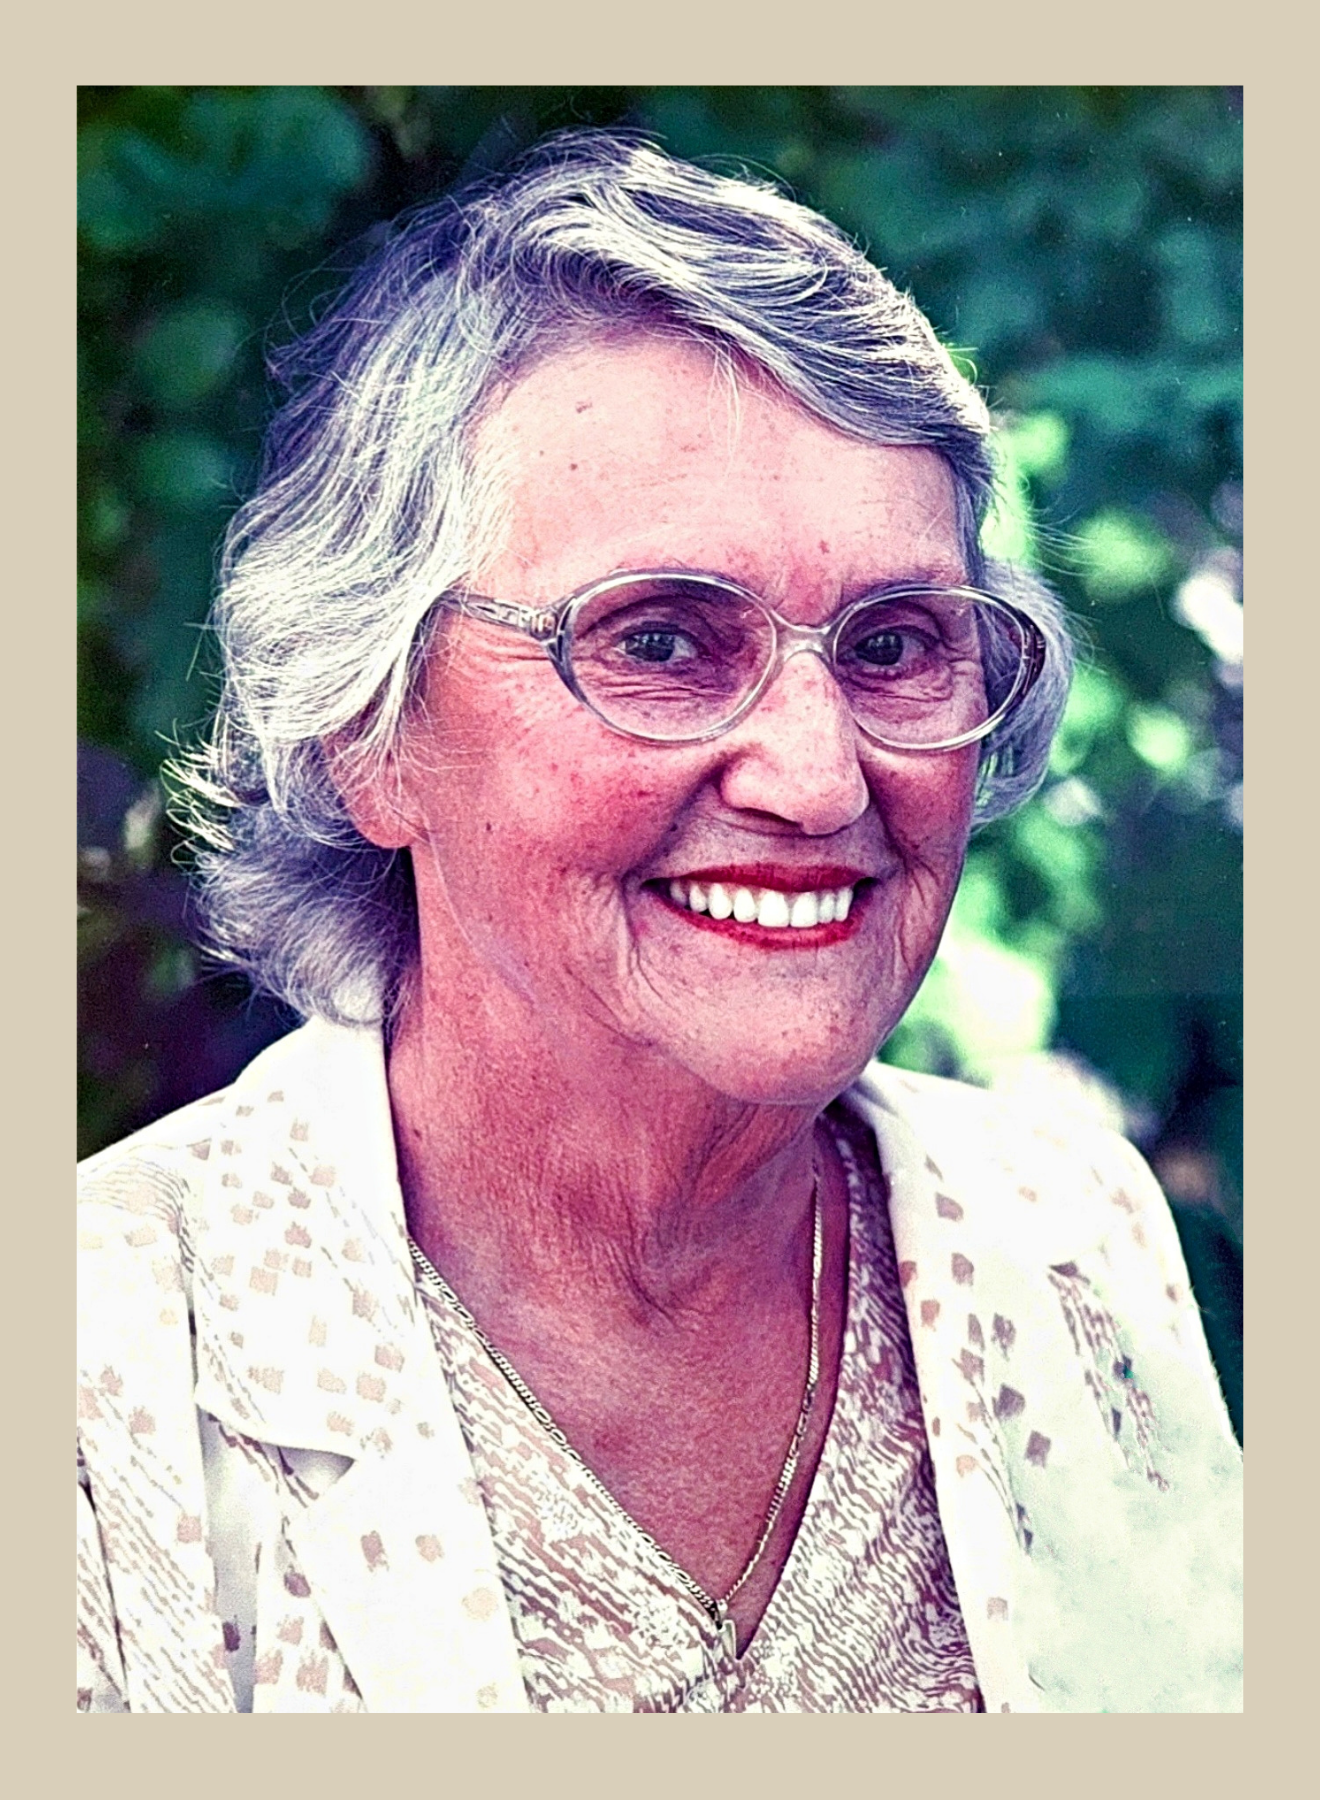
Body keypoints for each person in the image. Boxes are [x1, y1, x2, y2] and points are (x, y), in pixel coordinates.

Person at [76, 132, 1242, 1714]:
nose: (818, 779)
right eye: (662, 641)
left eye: (895, 643)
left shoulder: (1071, 1238)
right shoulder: (95, 1357)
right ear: (365, 731)